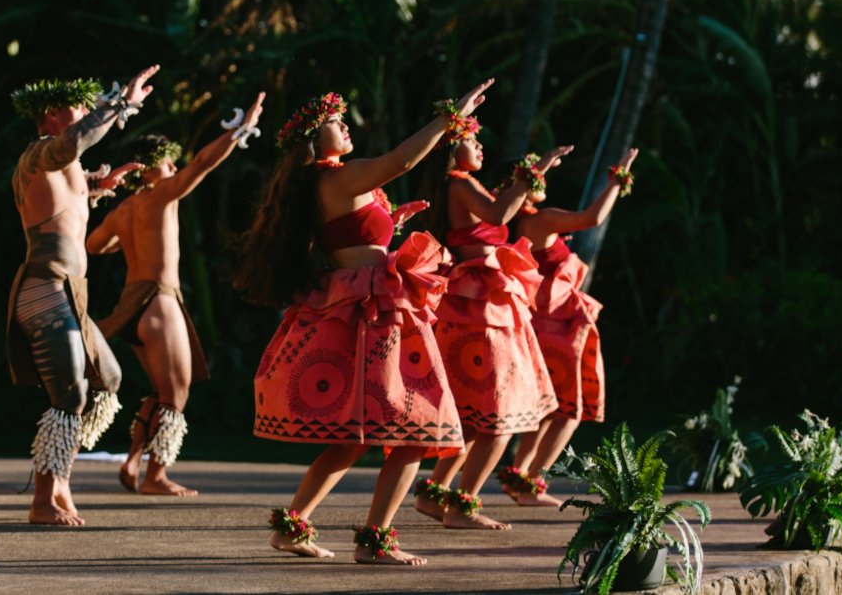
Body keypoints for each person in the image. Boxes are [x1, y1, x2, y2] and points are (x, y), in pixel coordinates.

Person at [233, 82, 491, 565]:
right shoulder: (336, 177)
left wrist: (393, 218)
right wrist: (449, 119)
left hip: (372, 308)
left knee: (358, 438)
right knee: (419, 429)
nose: (346, 125)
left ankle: (296, 528)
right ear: (315, 137)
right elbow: (400, 162)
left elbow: (356, 230)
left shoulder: (326, 183)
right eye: (338, 121)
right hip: (374, 314)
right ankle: (373, 541)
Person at [87, 93, 265, 496]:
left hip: (130, 305)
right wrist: (239, 129)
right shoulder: (161, 194)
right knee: (177, 392)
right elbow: (203, 163)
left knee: (158, 390)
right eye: (169, 163)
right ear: (152, 170)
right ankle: (156, 475)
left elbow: (93, 246)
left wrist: (126, 242)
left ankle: (134, 462)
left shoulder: (122, 211)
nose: (175, 168)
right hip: (158, 300)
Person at [6, 68, 156, 525]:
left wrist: (97, 188)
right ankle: (43, 500)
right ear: (52, 115)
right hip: (45, 286)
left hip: (73, 293)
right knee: (69, 394)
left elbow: (62, 195)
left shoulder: (66, 166)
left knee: (106, 383)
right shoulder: (38, 154)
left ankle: (60, 475)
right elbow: (71, 146)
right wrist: (121, 106)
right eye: (81, 107)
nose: (89, 112)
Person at [408, 128, 572, 529]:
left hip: (480, 301)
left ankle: (436, 496)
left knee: (474, 414)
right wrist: (533, 173)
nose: (480, 144)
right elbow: (499, 215)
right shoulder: (459, 184)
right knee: (502, 414)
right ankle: (463, 507)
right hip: (481, 306)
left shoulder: (464, 184)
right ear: (451, 147)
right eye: (471, 138)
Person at [504, 148, 638, 506]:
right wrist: (617, 180)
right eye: (536, 175)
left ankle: (522, 480)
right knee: (568, 412)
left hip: (541, 323)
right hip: (556, 326)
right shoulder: (541, 219)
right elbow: (593, 218)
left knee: (549, 409)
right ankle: (530, 483)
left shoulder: (509, 226)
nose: (542, 180)